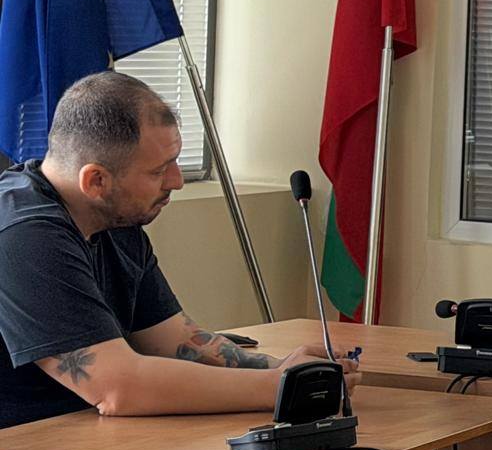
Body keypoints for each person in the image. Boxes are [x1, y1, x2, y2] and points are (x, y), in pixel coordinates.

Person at [0, 71, 359, 428]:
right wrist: (279, 388)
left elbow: (174, 341)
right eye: (159, 171)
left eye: (175, 161)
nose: (177, 181)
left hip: (82, 432)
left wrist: (285, 368)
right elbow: (119, 389)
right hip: (27, 449)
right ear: (96, 181)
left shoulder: (115, 218)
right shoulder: (24, 235)